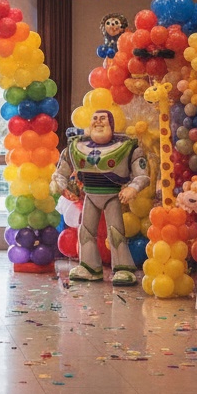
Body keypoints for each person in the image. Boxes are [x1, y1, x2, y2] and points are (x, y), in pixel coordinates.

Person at [51, 109, 149, 286]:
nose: (98, 122)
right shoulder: (76, 147)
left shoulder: (128, 147)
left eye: (103, 118)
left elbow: (142, 175)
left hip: (112, 195)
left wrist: (133, 188)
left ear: (111, 123)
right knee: (85, 231)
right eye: (95, 118)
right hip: (90, 194)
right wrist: (60, 184)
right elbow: (61, 171)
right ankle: (89, 267)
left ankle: (123, 268)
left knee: (116, 232)